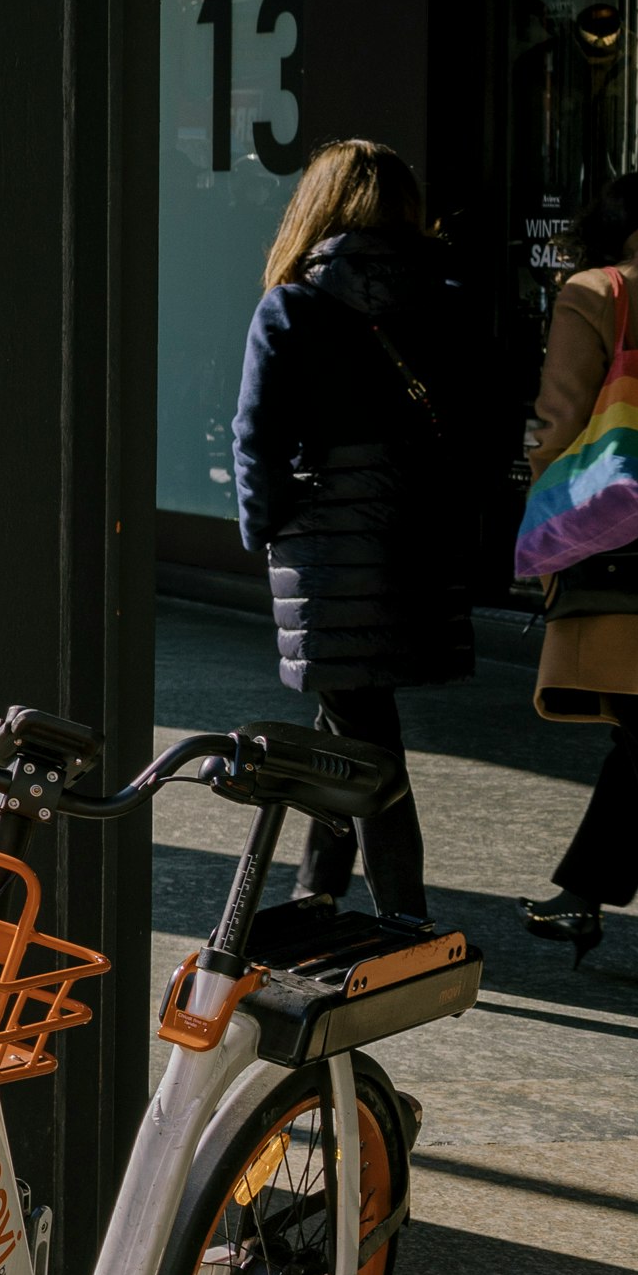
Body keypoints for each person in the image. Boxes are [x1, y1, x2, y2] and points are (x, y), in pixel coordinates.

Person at [228, 140, 494, 922]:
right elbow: (483, 419)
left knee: (366, 731)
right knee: (348, 707)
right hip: (418, 540)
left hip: (329, 552)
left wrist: (265, 529)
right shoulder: (445, 296)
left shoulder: (293, 305)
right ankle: (319, 882)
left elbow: (258, 435)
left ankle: (403, 913)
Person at [518, 168, 638, 1016]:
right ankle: (582, 890)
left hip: (637, 581)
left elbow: (560, 427)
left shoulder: (601, 292)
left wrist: (550, 553)